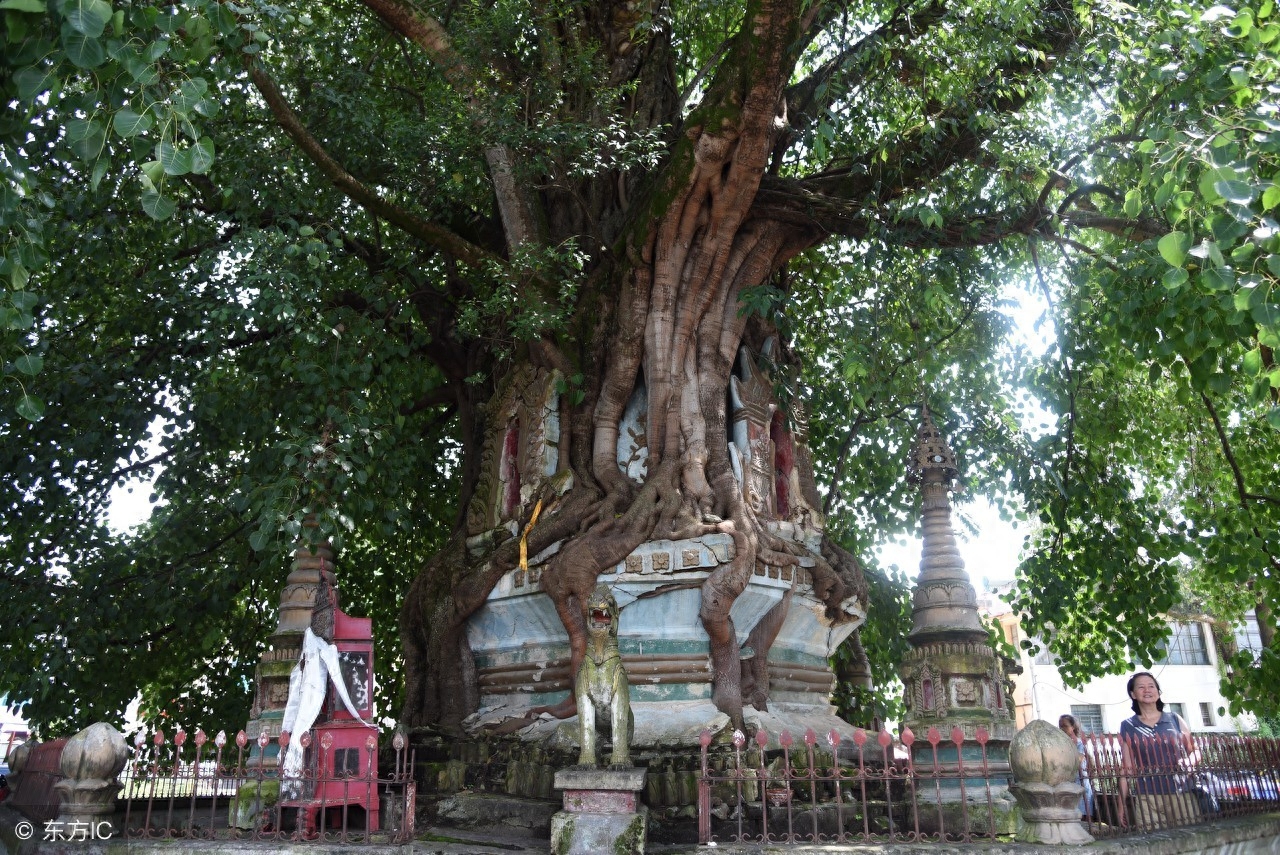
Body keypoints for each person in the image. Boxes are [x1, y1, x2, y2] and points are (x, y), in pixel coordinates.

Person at [1118, 672, 1199, 829]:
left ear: (1158, 692)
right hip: (1147, 797)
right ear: (1133, 694)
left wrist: (1190, 761)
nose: (1147, 690)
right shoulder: (1127, 725)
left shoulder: (1175, 719)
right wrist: (1121, 806)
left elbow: (1195, 751)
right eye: (1141, 687)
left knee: (1190, 839)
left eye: (1151, 686)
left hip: (1181, 792)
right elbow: (1126, 768)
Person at [1058, 714, 1094, 820]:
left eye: (1065, 726)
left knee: (1083, 817)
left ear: (1073, 727)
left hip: (1081, 783)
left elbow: (1076, 761)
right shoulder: (1062, 744)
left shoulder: (1079, 744)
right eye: (1060, 726)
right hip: (1067, 785)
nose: (1062, 729)